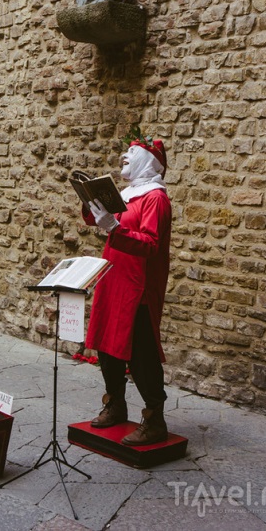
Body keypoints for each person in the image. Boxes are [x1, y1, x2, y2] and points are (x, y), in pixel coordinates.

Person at [82, 130, 172, 445]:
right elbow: (106, 222)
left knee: (142, 352)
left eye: (131, 155)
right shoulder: (130, 193)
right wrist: (94, 208)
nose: (124, 158)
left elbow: (150, 244)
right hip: (113, 277)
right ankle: (115, 405)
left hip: (138, 286)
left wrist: (115, 227)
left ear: (148, 160)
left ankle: (154, 418)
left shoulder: (155, 198)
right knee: (107, 345)